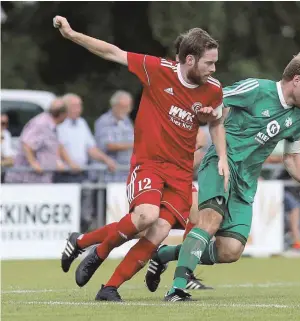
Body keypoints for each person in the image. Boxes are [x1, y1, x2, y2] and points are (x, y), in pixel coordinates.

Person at [53, 16, 228, 302]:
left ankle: (107, 287)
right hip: (150, 163)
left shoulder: (213, 89)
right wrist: (72, 34)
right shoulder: (157, 69)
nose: (214, 68)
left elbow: (217, 123)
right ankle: (98, 251)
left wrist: (221, 155)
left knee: (158, 230)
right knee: (146, 216)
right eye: (209, 63)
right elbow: (113, 52)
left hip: (181, 174)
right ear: (190, 60)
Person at [145, 52, 300, 302]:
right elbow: (214, 98)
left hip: (246, 183)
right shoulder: (257, 89)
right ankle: (177, 288)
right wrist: (199, 120)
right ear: (296, 79)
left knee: (230, 250)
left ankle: (164, 254)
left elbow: (291, 156)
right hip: (221, 164)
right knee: (209, 223)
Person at [4, 97, 81, 184]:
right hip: (25, 181)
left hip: (39, 180)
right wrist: (34, 164)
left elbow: (57, 146)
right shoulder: (42, 124)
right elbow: (26, 143)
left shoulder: (51, 126)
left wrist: (69, 163)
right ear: (62, 114)